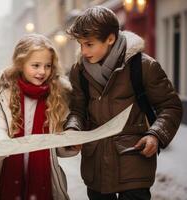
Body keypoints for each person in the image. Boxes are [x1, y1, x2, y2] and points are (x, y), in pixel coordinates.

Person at [65, 6, 183, 200]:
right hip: (96, 168)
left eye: (89, 44)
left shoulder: (144, 66)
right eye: (81, 44)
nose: (83, 51)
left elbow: (171, 106)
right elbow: (78, 109)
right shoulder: (79, 72)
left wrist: (155, 135)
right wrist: (73, 129)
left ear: (110, 38)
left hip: (134, 162)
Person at [0, 34, 81, 200]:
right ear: (21, 64)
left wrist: (68, 144)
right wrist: (2, 144)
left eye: (47, 66)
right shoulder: (1, 95)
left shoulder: (57, 97)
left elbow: (56, 148)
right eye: (35, 65)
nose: (42, 72)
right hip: (9, 174)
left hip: (45, 179)